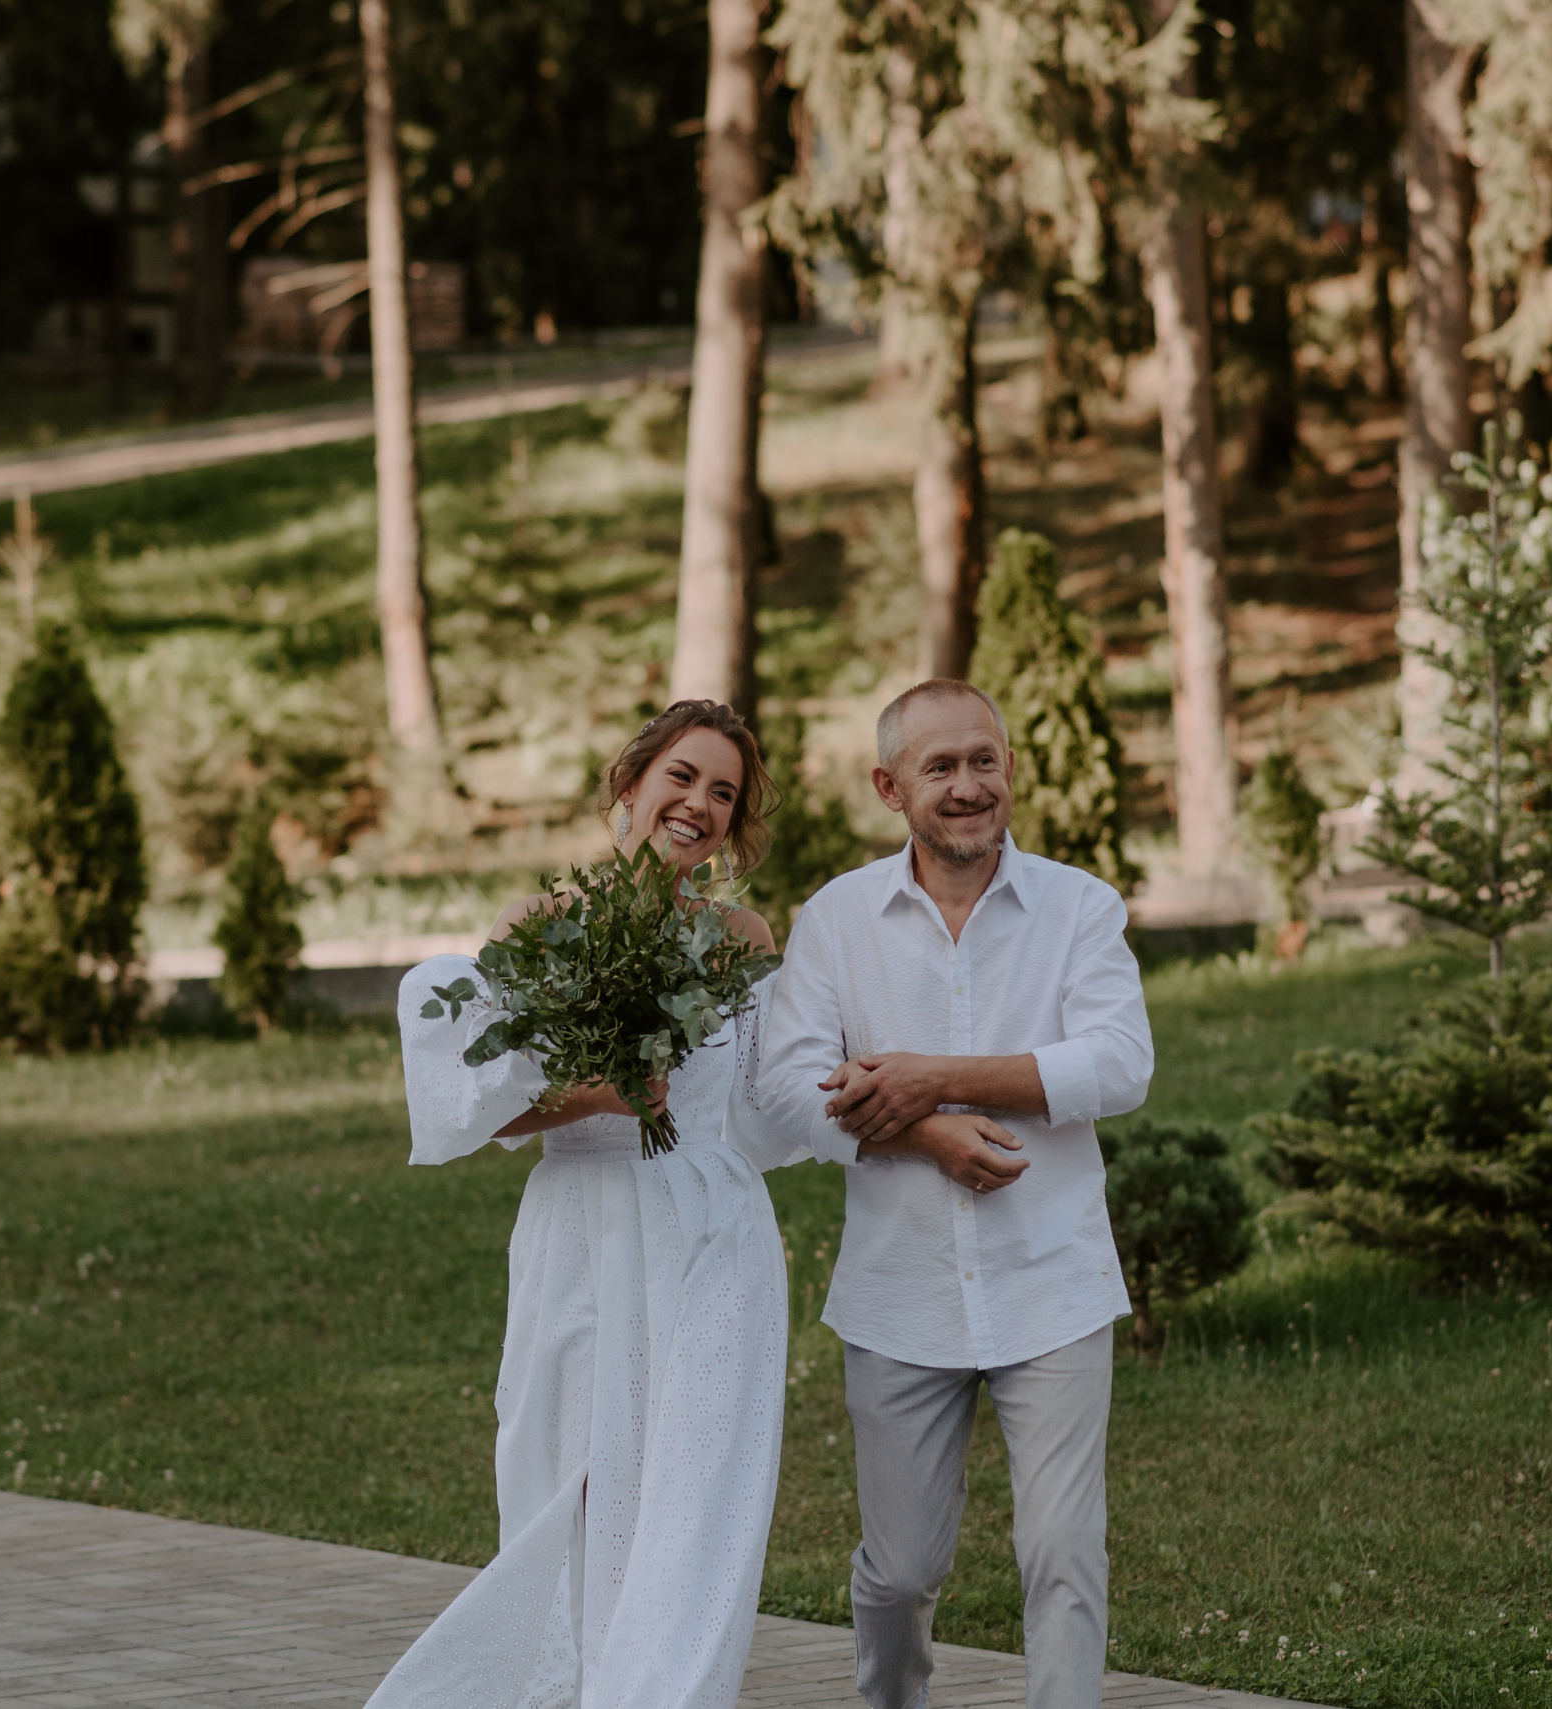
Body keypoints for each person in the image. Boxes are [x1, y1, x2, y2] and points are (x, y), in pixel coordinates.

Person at [730, 679, 1154, 1709]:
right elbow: (784, 1089)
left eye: (984, 760)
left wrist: (938, 1075)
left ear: (1009, 769)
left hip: (1052, 1282)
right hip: (901, 1291)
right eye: (940, 767)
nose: (968, 786)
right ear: (890, 788)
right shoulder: (838, 919)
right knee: (899, 1571)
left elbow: (1119, 1063)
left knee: (1062, 1551)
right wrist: (924, 1130)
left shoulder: (1080, 907)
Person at [371, 700, 789, 1709]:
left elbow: (767, 1091)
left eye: (723, 792)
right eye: (681, 777)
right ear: (630, 786)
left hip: (711, 1223)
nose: (698, 804)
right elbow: (494, 1108)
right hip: (582, 1221)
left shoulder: (742, 937)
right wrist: (605, 1093)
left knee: (698, 1470)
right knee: (570, 1464)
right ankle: (571, 1682)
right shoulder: (543, 926)